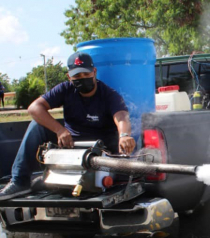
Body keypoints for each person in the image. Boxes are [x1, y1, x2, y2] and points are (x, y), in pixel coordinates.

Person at [0, 52, 136, 200]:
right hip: (70, 145)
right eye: (77, 76)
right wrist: (60, 130)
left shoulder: (109, 94)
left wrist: (124, 135)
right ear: (69, 77)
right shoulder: (65, 89)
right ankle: (20, 181)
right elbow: (34, 108)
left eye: (86, 74)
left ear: (94, 72)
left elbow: (121, 116)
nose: (82, 79)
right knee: (36, 125)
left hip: (100, 151)